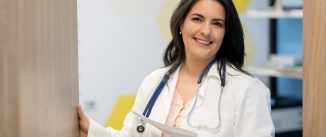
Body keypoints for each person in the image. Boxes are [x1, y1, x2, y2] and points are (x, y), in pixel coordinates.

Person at [77, 0, 275, 136]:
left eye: (217, 23)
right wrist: (90, 131)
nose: (206, 31)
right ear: (181, 24)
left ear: (225, 33)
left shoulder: (248, 90)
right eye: (197, 19)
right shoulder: (154, 82)